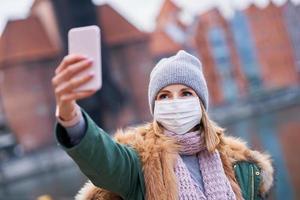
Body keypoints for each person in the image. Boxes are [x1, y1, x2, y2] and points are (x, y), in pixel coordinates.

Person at [52, 50, 274, 200]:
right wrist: (70, 114)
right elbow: (103, 158)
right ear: (154, 106)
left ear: (201, 103)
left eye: (186, 93)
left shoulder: (242, 166)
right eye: (165, 96)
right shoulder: (141, 162)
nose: (175, 102)